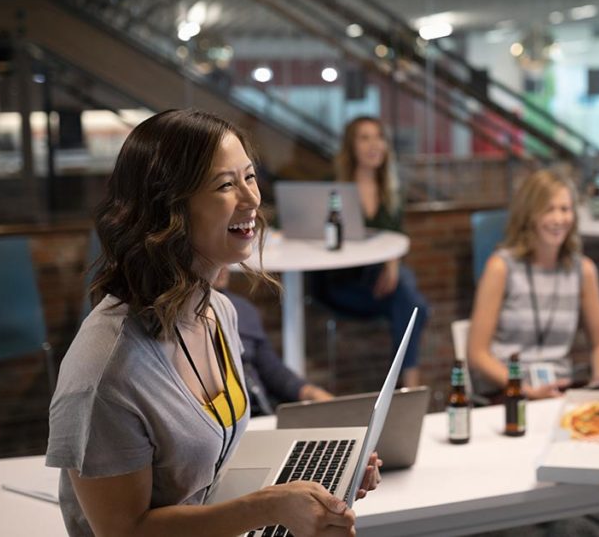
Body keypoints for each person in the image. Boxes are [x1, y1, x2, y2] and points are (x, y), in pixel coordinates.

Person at [46, 109, 379, 537]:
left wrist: (321, 484)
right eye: (226, 184)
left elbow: (206, 473)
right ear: (169, 208)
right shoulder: (104, 373)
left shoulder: (218, 311)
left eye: (250, 177)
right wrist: (269, 506)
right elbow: (125, 532)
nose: (252, 199)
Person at [467, 168, 599, 537]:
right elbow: (477, 353)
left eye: (566, 209)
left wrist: (598, 381)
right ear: (530, 215)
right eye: (550, 209)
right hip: (511, 392)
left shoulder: (582, 270)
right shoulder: (502, 267)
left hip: (562, 393)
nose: (559, 218)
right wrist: (523, 389)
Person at [312, 116, 428, 388]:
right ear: (351, 146)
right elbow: (290, 222)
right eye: (364, 137)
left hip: (381, 286)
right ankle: (409, 387)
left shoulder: (391, 190)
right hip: (343, 286)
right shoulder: (331, 187)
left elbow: (396, 239)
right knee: (415, 305)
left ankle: (407, 385)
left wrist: (392, 263)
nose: (374, 144)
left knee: (409, 299)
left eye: (379, 137)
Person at [213, 266, 333, 416]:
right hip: (223, 421)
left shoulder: (243, 310)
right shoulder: (184, 318)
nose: (223, 266)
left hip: (259, 412)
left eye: (226, 261)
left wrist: (309, 392)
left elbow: (271, 369)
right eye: (215, 258)